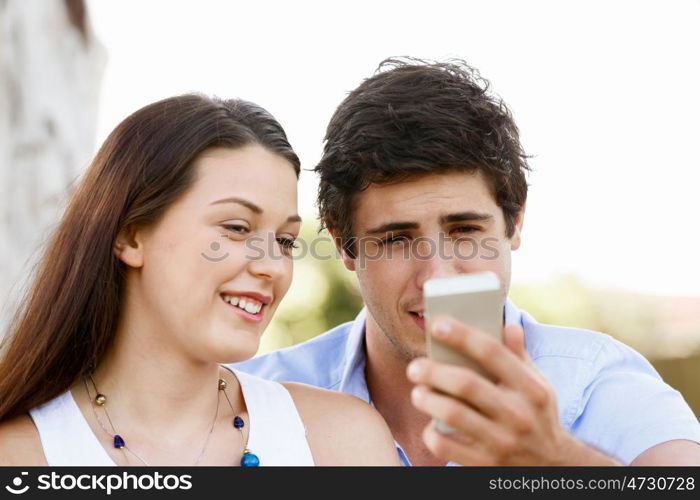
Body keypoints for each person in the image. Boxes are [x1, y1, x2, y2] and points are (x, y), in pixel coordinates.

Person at [235, 58, 700, 466]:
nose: (437, 276)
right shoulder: (258, 398)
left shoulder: (598, 383)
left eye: (464, 232)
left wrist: (553, 461)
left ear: (514, 223)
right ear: (344, 245)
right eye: (396, 239)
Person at [0, 94, 400, 466]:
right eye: (237, 227)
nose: (273, 267)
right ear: (131, 235)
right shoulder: (19, 453)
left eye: (284, 241)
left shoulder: (341, 442)